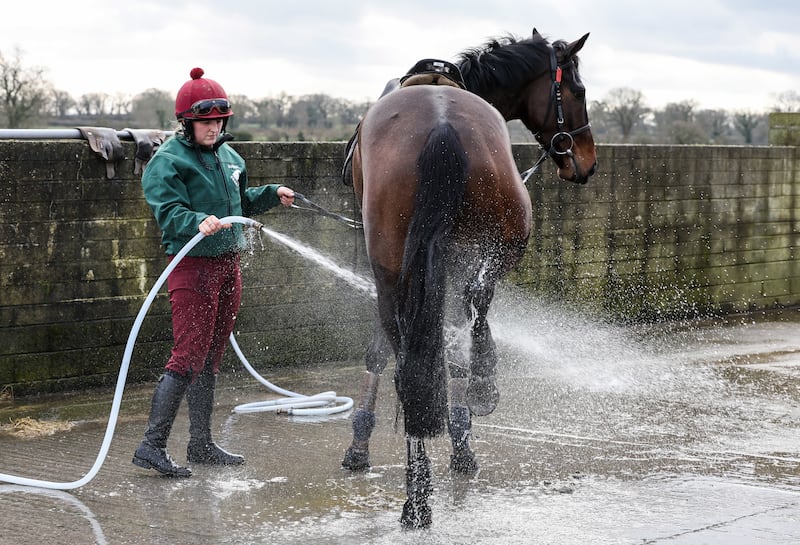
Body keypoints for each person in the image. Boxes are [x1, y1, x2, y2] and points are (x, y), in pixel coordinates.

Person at [132, 67, 295, 477]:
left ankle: (201, 443)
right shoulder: (167, 161)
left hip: (228, 266)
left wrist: (272, 194)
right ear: (187, 122)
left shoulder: (230, 156)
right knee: (187, 356)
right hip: (193, 268)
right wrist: (197, 220)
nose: (214, 126)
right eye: (206, 121)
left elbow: (240, 203)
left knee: (211, 357)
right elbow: (169, 213)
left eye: (219, 120)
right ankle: (151, 446)